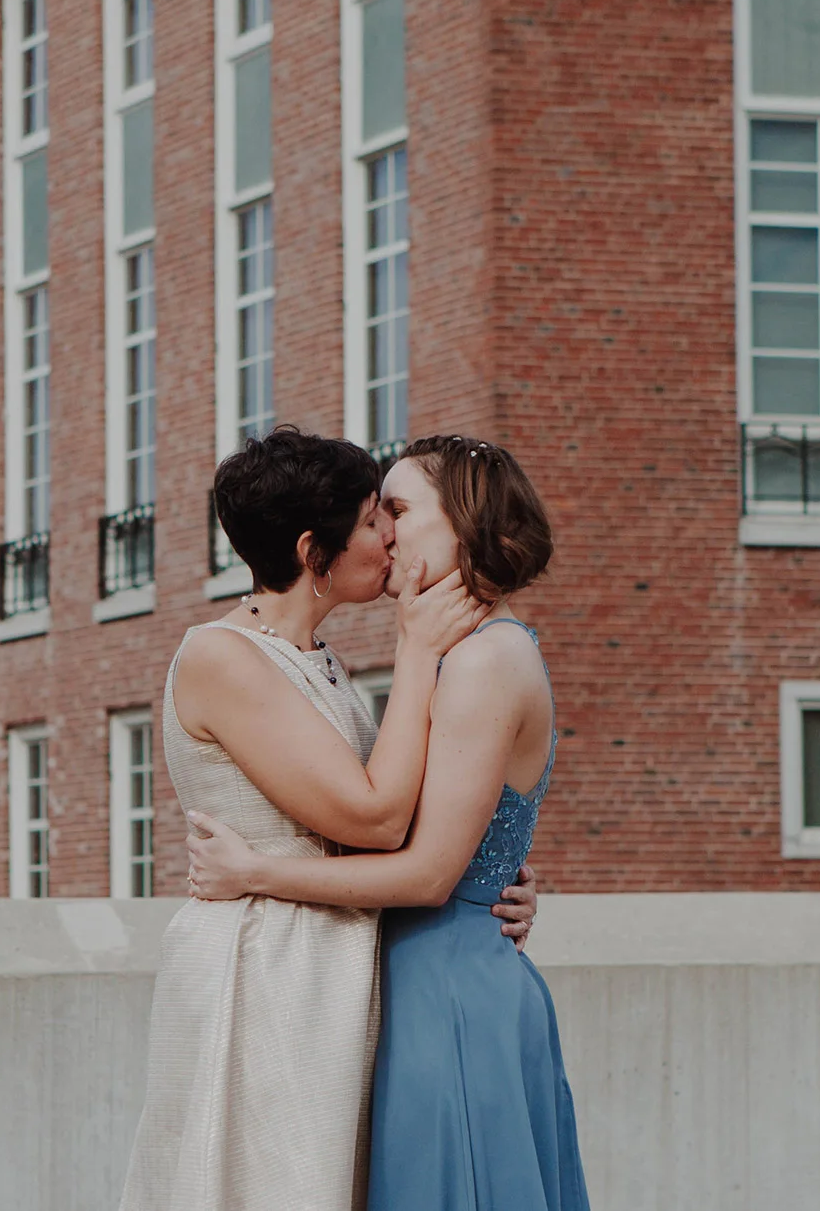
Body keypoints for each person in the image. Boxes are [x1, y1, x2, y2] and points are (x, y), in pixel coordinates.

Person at [118, 428, 536, 1211]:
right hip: (264, 970)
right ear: (314, 553)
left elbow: (406, 817)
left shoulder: (320, 660)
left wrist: (492, 870)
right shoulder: (220, 655)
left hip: (331, 967)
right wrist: (415, 651)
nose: (388, 538)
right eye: (373, 520)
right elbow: (373, 820)